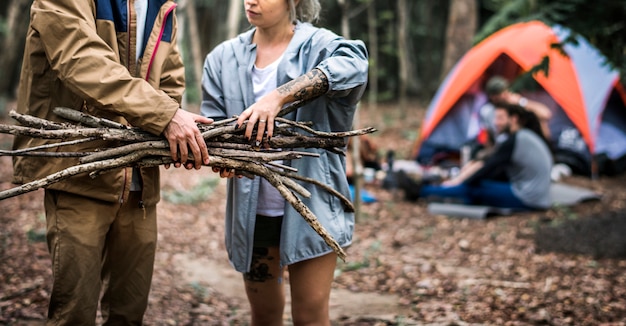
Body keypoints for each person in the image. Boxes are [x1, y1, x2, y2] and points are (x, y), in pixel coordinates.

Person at [12, 0, 212, 324]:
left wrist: (176, 135)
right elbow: (79, 59)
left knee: (129, 312)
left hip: (140, 183)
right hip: (80, 171)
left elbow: (171, 78)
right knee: (74, 313)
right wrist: (164, 116)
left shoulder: (163, 5)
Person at [200, 0, 368, 324]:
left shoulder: (320, 46)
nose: (251, 0)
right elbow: (214, 127)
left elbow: (355, 65)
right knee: (264, 314)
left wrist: (279, 96)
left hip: (312, 208)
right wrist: (221, 159)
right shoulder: (222, 59)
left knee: (309, 316)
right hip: (253, 215)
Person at [398, 103, 553, 210]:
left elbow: (490, 167)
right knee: (478, 186)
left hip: (529, 198)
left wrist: (462, 182)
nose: (495, 122)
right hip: (536, 194)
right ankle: (438, 192)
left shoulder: (515, 140)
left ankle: (422, 192)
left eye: (500, 118)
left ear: (513, 119)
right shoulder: (524, 137)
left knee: (474, 188)